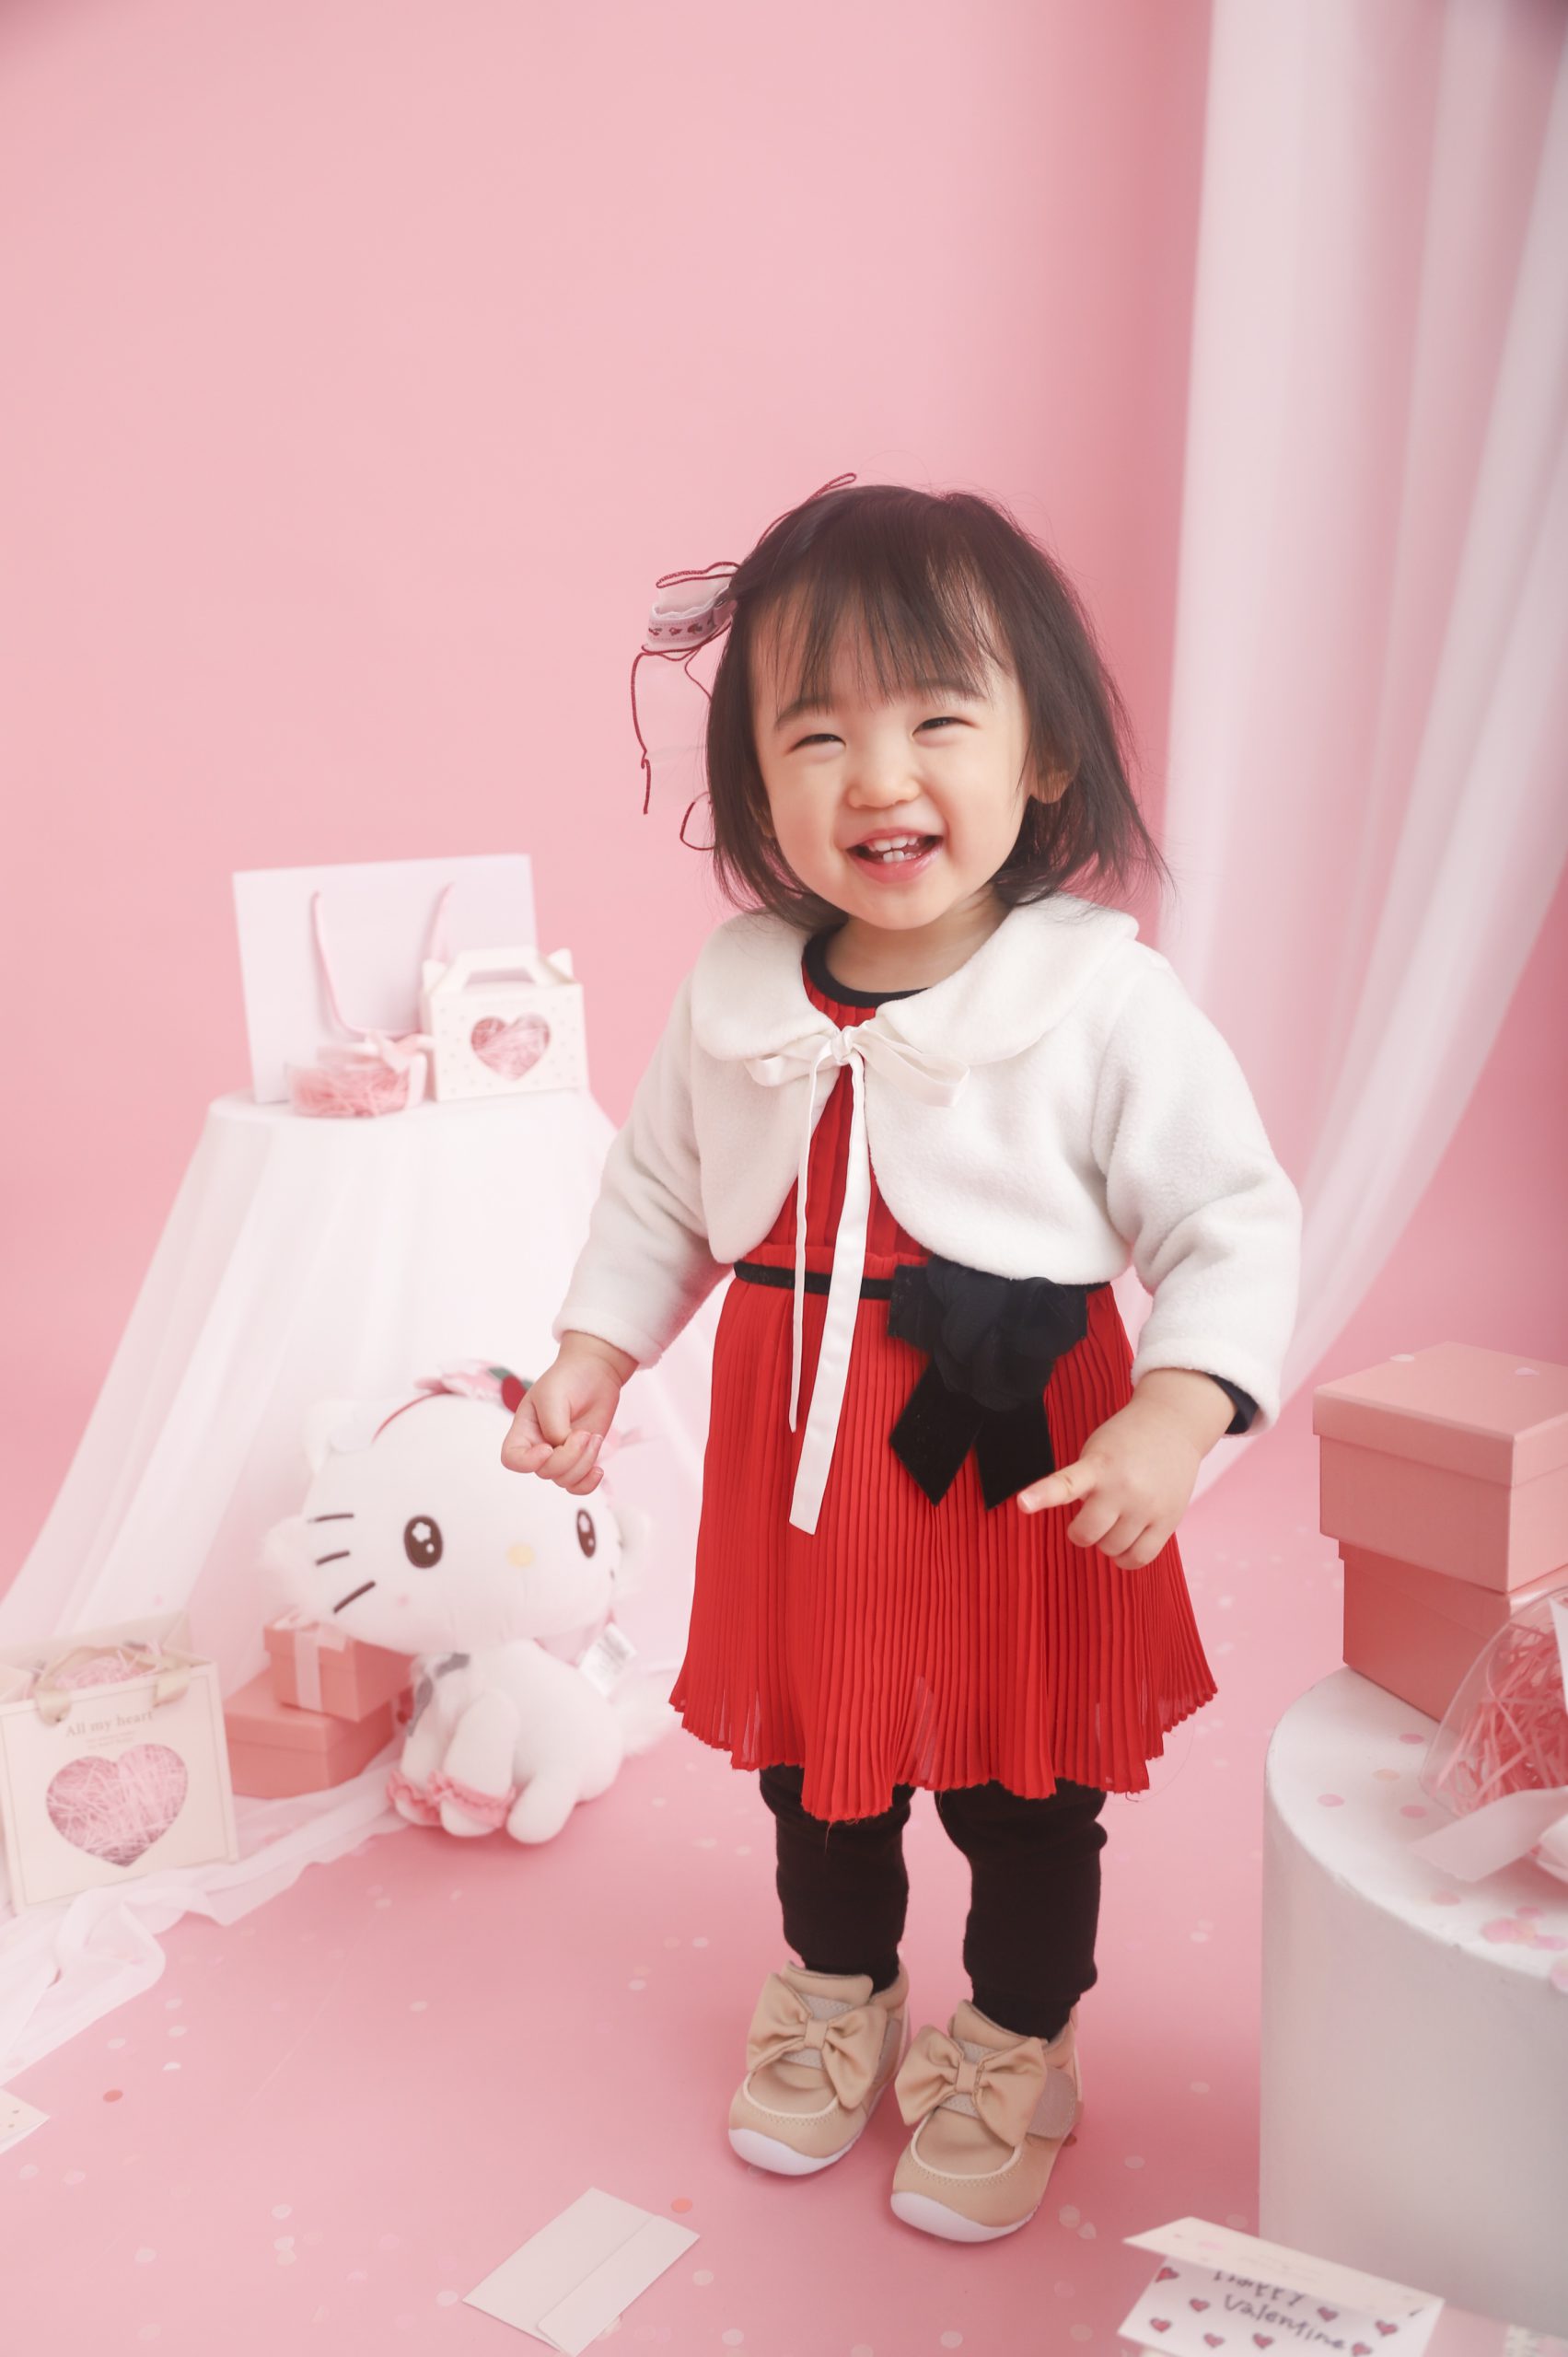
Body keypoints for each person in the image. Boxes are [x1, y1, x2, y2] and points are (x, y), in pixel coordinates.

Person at [501, 478, 1301, 2244]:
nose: (879, 776)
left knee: (1024, 1790)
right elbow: (658, 1194)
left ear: (1041, 754)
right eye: (818, 735)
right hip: (801, 1462)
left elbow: (1231, 1220)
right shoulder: (735, 993)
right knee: (820, 1772)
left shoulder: (1099, 998)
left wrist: (1180, 1408)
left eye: (938, 720)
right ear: (753, 784)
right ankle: (838, 1994)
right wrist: (593, 1348)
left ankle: (1018, 2039)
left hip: (1015, 1455)